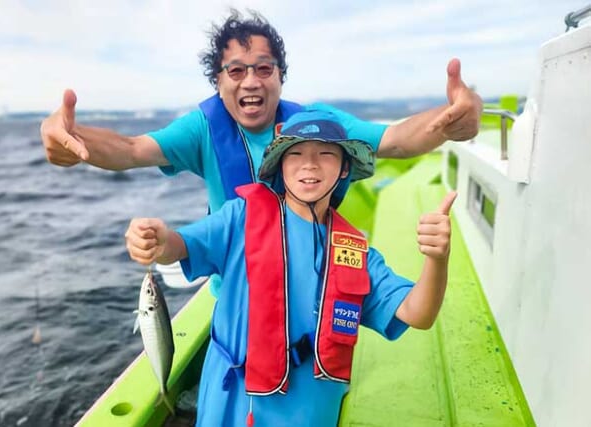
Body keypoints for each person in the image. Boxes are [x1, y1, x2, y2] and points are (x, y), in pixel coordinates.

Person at [125, 110, 456, 426]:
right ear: (280, 166)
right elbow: (179, 246)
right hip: (230, 402)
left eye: (326, 154)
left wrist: (437, 259)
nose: (309, 164)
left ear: (344, 168)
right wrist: (157, 239)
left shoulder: (357, 253)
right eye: (295, 154)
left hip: (310, 412)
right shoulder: (239, 217)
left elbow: (418, 313)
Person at [40, 9, 480, 215]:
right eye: (236, 70)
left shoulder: (318, 123)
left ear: (280, 77)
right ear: (218, 80)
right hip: (237, 293)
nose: (250, 81)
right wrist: (73, 138)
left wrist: (451, 120)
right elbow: (132, 149)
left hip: (311, 285)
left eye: (263, 68)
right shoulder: (202, 130)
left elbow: (398, 140)